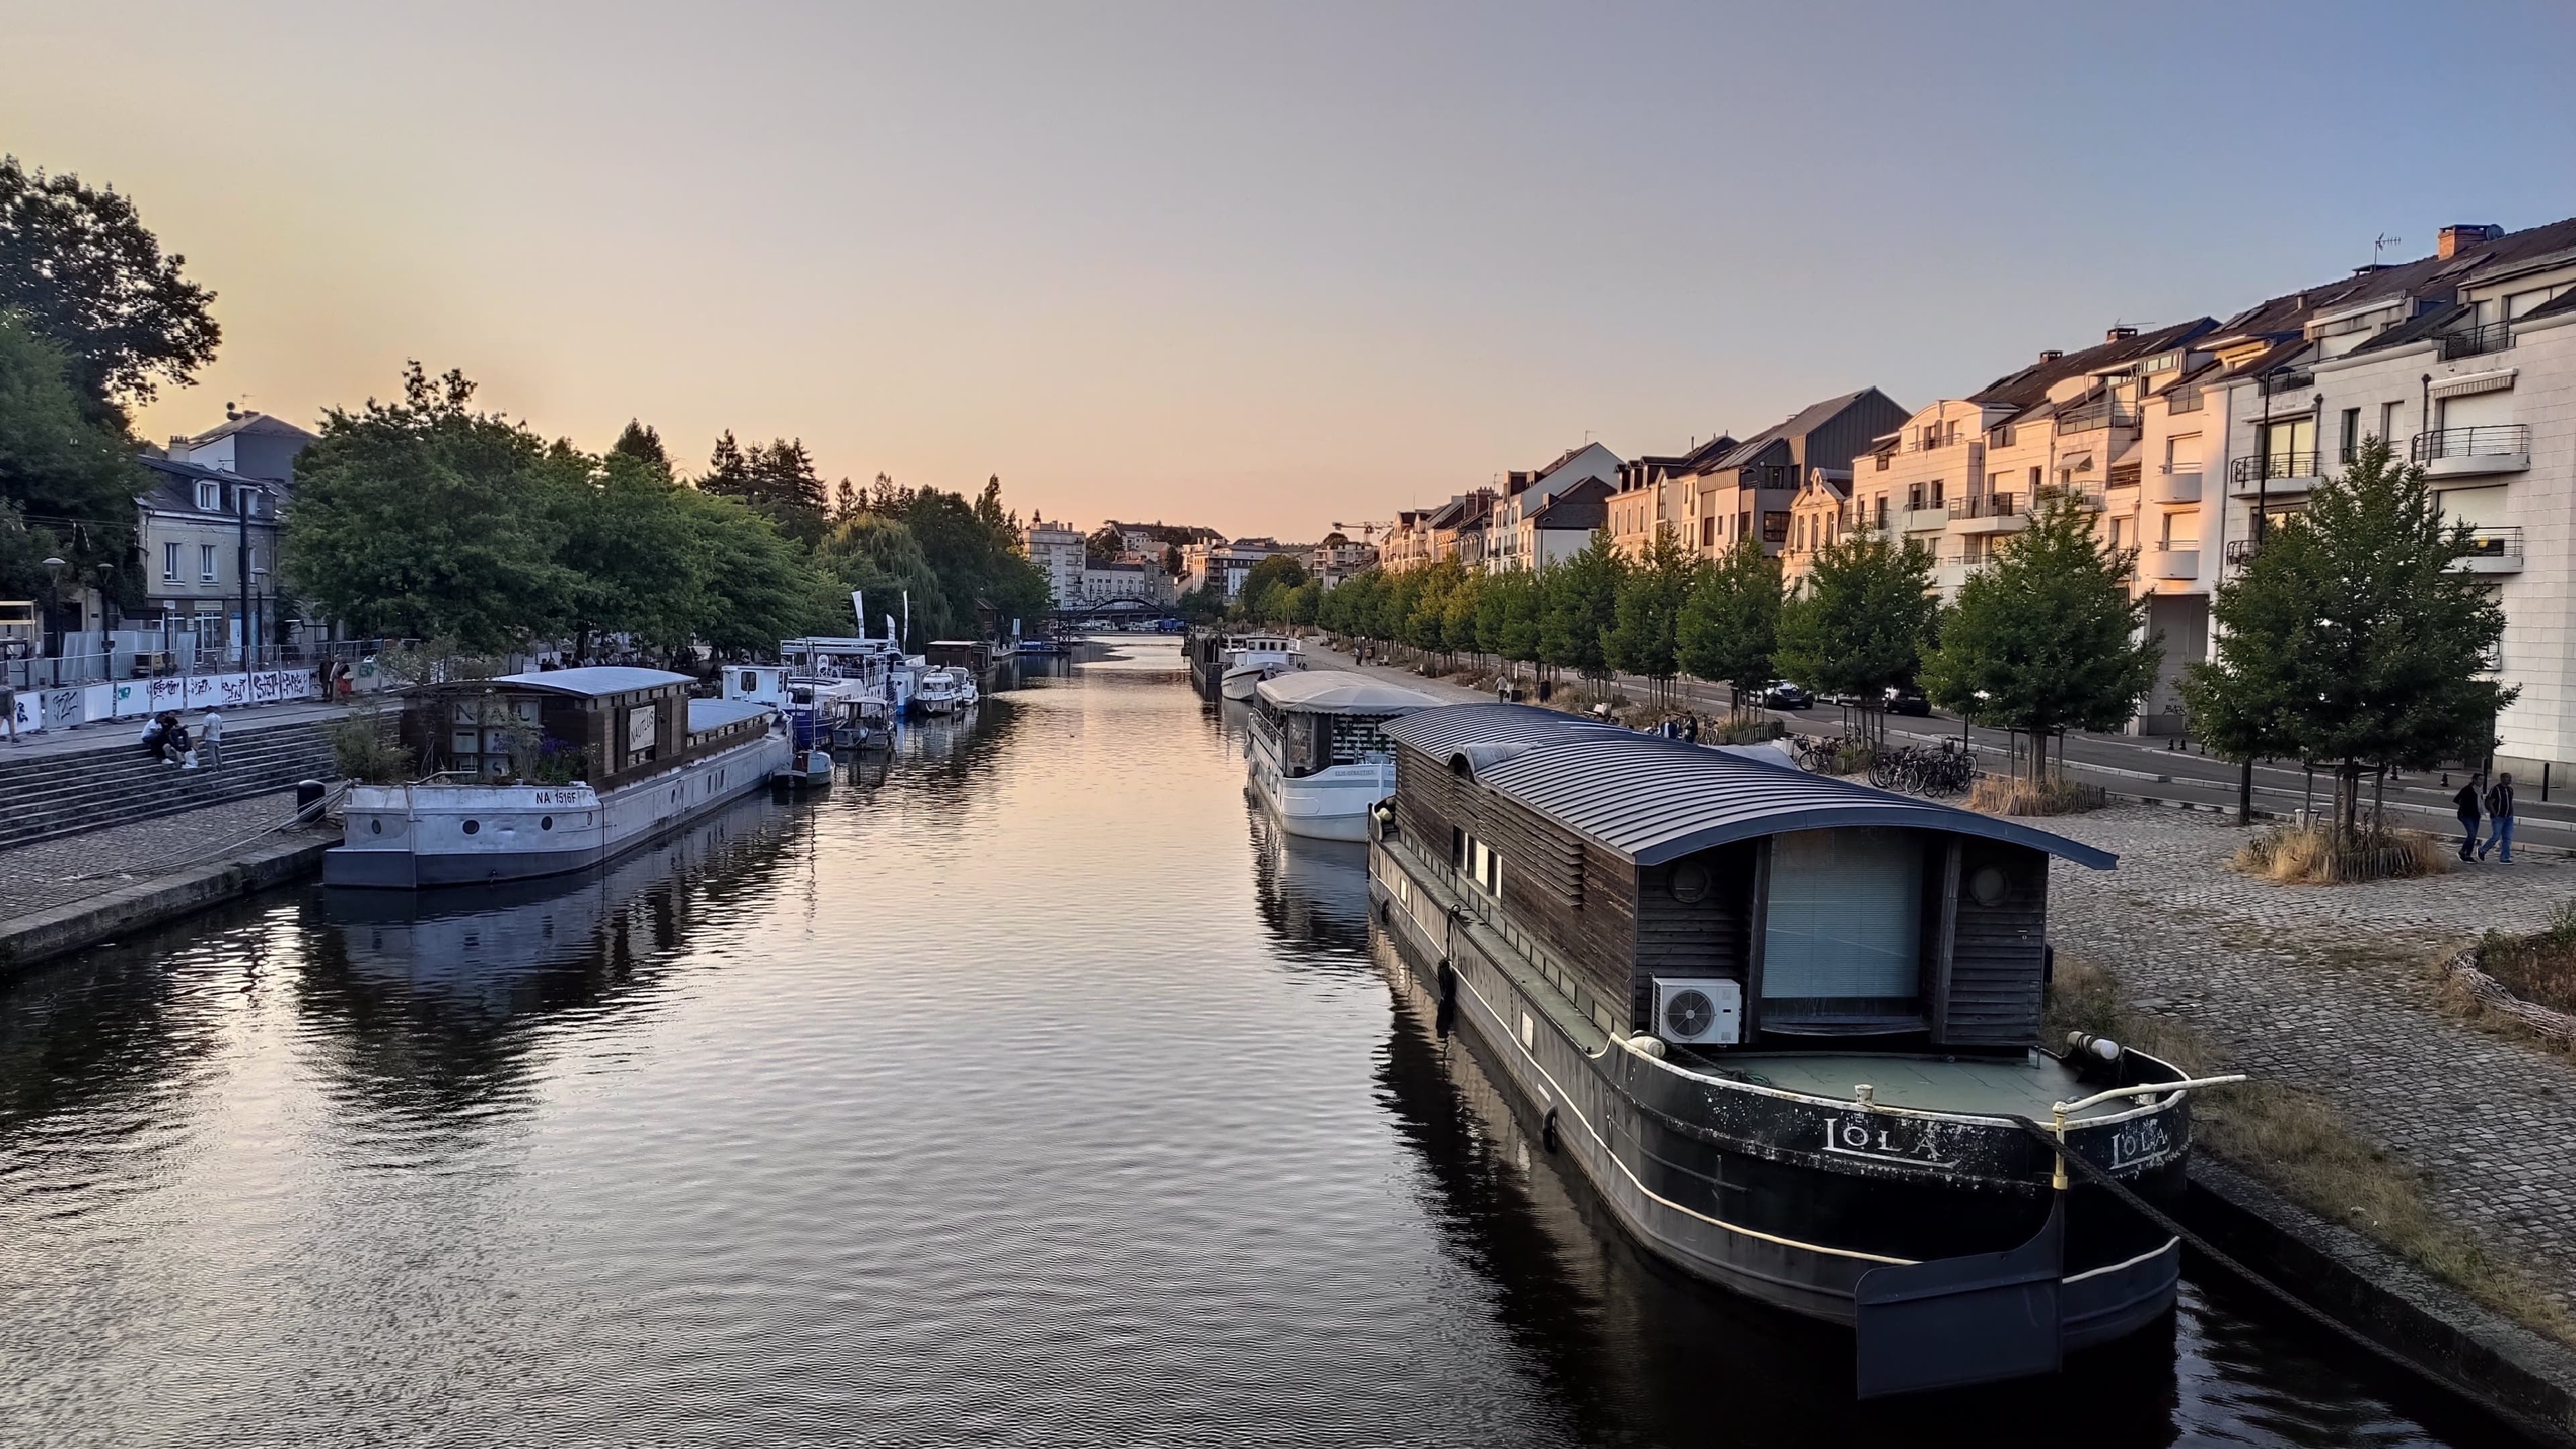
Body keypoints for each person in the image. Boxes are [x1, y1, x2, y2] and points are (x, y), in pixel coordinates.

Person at [2481, 772, 2517, 863]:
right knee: (2496, 836)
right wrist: (2494, 814)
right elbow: (2489, 802)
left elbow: (2510, 802)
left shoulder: (2510, 790)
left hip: (2508, 817)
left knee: (2507, 838)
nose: (2510, 780)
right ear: (2502, 779)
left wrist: (2511, 813)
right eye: (2507, 778)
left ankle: (2505, 857)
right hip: (2498, 817)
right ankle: (2483, 850)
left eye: (2510, 778)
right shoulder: (2496, 789)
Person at [2453, 775, 2485, 861]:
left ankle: (2468, 854)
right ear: (2475, 780)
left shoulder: (2479, 791)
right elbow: (2457, 799)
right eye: (2480, 779)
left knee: (2474, 835)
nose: (2482, 781)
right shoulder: (2467, 789)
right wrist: (2466, 806)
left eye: (2483, 780)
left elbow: (2480, 803)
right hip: (2466, 815)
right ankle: (2462, 852)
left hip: (2476, 815)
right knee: (2471, 834)